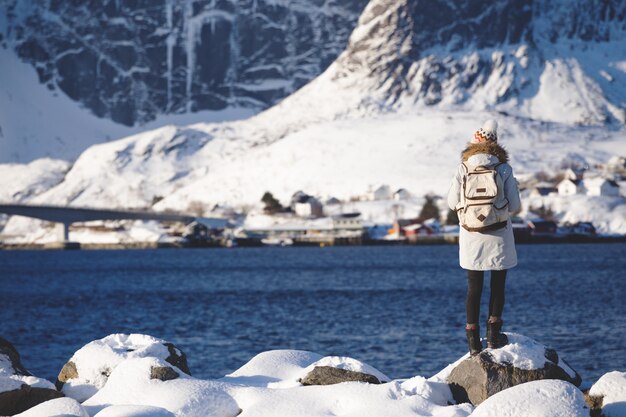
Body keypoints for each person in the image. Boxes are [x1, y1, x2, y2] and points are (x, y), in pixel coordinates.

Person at [447, 119, 521, 356]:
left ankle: (473, 344)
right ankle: (493, 337)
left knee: (473, 288)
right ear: (495, 143)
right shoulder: (504, 169)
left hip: (471, 236)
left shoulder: (463, 168)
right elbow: (515, 206)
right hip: (499, 234)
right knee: (498, 286)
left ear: (473, 143)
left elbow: (451, 203)